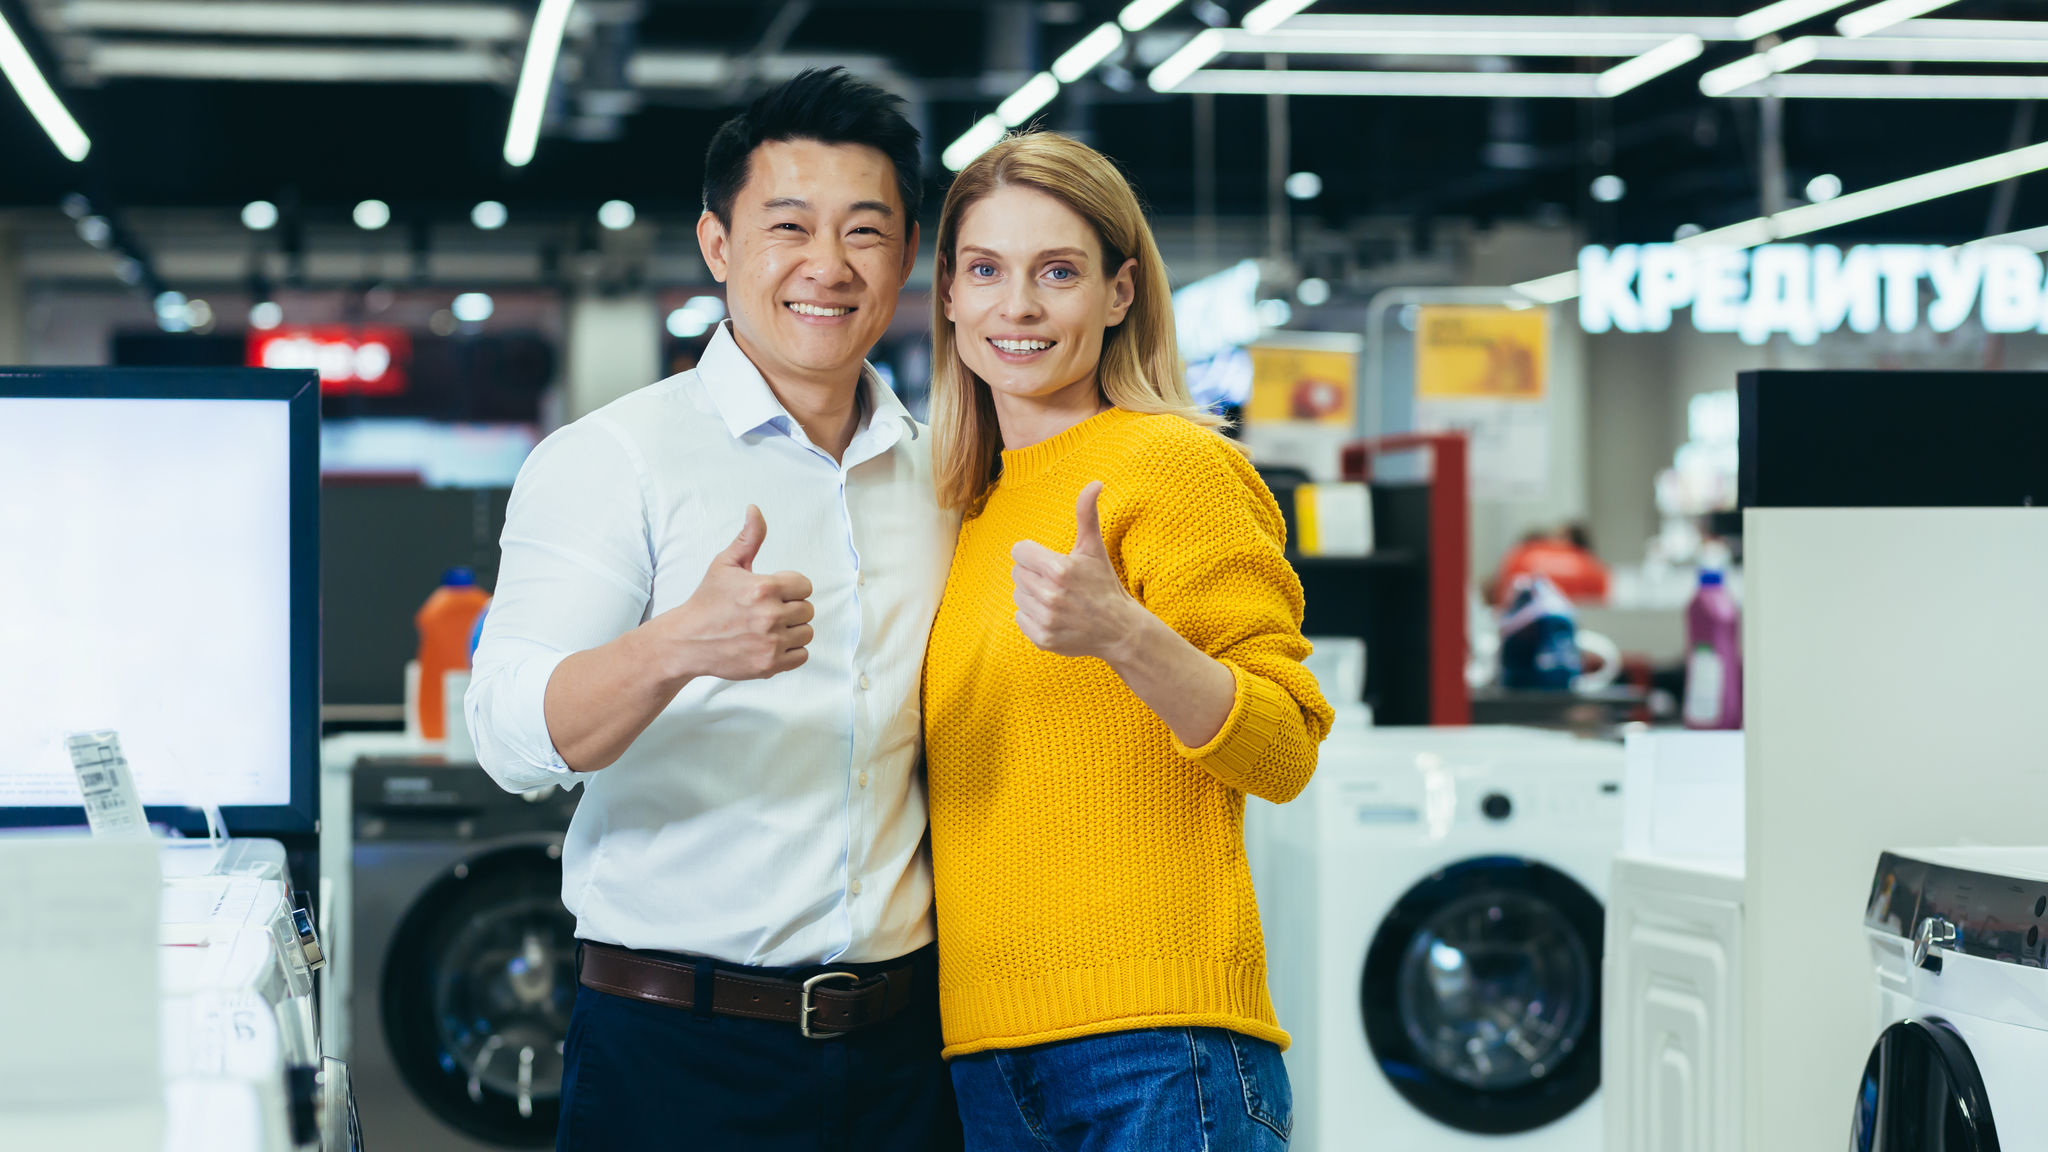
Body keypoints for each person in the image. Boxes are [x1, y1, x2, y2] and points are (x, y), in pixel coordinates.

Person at [465, 68, 961, 1151]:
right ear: (718, 246)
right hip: (674, 1055)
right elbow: (506, 733)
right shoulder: (614, 461)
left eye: (864, 231)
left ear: (908, 252)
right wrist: (672, 648)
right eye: (788, 226)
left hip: (904, 1058)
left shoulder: (942, 478)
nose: (826, 266)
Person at [921, 131, 1334, 1150]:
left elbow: (1283, 748)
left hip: (1156, 1050)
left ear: (1118, 293)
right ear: (946, 296)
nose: (1015, 306)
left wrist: (1122, 636)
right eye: (985, 270)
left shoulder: (1173, 465)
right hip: (982, 1053)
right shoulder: (962, 507)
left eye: (1055, 272)